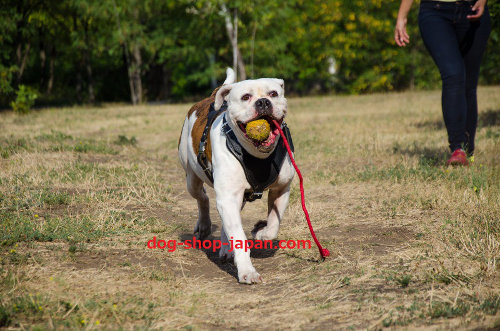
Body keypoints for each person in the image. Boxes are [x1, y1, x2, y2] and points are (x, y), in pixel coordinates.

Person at [395, 0, 491, 166]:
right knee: (453, 74)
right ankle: (457, 148)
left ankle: (467, 153)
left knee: (469, 84)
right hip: (435, 11)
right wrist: (402, 16)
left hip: (473, 10)